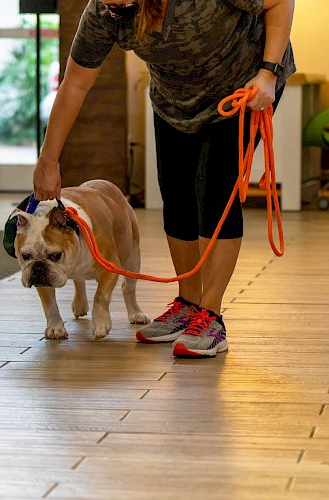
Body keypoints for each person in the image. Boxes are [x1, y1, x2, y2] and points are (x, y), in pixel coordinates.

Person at [32, 0, 295, 357]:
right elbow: (75, 84)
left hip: (243, 88)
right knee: (176, 194)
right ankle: (189, 304)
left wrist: (269, 72)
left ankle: (211, 316)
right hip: (175, 101)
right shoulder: (103, 14)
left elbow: (280, 1)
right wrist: (48, 160)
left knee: (217, 193)